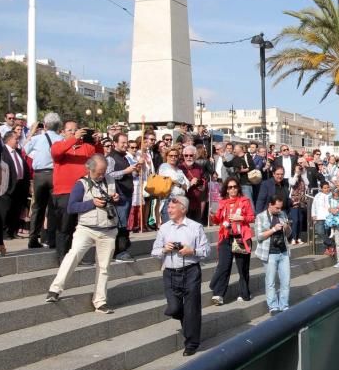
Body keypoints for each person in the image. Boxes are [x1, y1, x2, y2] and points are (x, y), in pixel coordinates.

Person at [45, 155, 123, 313]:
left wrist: (116, 198)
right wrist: (92, 203)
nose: (102, 176)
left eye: (104, 172)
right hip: (86, 228)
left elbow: (120, 200)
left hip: (108, 230)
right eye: (98, 173)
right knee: (73, 255)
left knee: (104, 267)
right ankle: (55, 289)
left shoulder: (111, 181)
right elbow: (71, 207)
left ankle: (100, 301)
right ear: (90, 169)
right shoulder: (81, 184)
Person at [151, 194, 211, 356]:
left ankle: (191, 343)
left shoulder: (195, 227)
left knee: (192, 309)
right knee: (175, 308)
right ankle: (188, 323)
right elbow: (154, 252)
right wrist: (164, 249)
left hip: (191, 271)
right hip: (170, 273)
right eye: (168, 207)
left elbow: (206, 251)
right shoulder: (164, 228)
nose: (168, 210)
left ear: (182, 209)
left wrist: (192, 251)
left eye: (172, 207)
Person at [50, 122, 104, 264]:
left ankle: (76, 257)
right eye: (70, 130)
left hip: (83, 191)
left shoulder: (86, 147)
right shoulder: (58, 144)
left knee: (79, 228)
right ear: (63, 132)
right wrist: (73, 138)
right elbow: (56, 153)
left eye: (76, 130)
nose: (74, 132)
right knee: (64, 226)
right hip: (64, 192)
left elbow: (99, 158)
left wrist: (97, 142)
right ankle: (62, 257)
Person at [209, 178, 255, 305]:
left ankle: (244, 293)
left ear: (238, 188)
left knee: (242, 268)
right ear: (226, 189)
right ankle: (218, 294)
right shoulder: (222, 202)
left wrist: (242, 218)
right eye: (230, 187)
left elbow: (252, 217)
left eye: (235, 186)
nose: (233, 189)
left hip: (241, 237)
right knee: (223, 266)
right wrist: (212, 216)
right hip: (226, 237)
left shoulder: (244, 201)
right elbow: (218, 220)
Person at [24, 113, 63, 249]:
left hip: (39, 175)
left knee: (37, 207)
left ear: (45, 125)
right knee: (53, 208)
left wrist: (32, 133)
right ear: (59, 126)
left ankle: (33, 238)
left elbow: (25, 149)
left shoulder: (37, 138)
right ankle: (51, 238)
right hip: (55, 174)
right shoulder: (61, 139)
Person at [254, 195, 292, 314]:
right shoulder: (260, 217)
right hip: (269, 253)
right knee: (270, 281)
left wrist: (286, 227)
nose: (279, 210)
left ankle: (284, 305)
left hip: (283, 251)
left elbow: (289, 234)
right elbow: (259, 236)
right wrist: (274, 229)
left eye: (280, 208)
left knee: (286, 280)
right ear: (270, 205)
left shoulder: (282, 214)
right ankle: (273, 306)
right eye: (277, 208)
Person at [105, 133, 139, 263]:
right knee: (121, 223)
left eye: (126, 143)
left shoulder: (124, 157)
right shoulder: (111, 158)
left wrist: (134, 171)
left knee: (124, 221)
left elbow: (129, 173)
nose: (125, 145)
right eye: (122, 143)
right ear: (115, 143)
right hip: (119, 195)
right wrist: (126, 171)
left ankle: (123, 248)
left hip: (127, 193)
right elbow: (109, 175)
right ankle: (120, 251)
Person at [0, 130, 30, 240]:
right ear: (8, 140)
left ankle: (13, 231)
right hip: (6, 186)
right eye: (15, 139)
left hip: (19, 185)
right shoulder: (2, 152)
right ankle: (3, 232)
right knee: (5, 210)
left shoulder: (17, 151)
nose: (17, 141)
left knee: (16, 210)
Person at [311, 181, 335, 257]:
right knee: (320, 232)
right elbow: (313, 205)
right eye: (325, 188)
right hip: (319, 217)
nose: (327, 189)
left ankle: (328, 249)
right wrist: (313, 215)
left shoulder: (332, 195)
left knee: (326, 233)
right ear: (321, 189)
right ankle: (331, 243)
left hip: (329, 217)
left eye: (328, 187)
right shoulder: (317, 196)